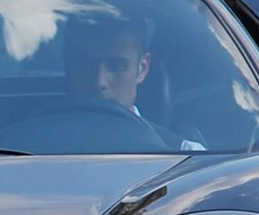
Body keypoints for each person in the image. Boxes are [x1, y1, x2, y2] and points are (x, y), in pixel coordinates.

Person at [62, 18, 205, 151]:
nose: (99, 82)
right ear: (68, 65)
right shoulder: (39, 143)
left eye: (115, 66)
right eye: (84, 65)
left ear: (142, 68)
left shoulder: (188, 155)